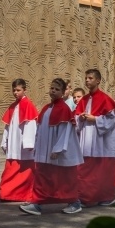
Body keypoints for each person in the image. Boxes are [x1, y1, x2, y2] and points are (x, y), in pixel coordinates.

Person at [21, 78, 84, 215]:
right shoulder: (46, 108)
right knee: (43, 176)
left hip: (58, 152)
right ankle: (37, 203)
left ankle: (74, 202)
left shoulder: (64, 109)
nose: (53, 91)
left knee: (64, 178)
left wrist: (58, 149)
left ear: (62, 93)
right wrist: (38, 146)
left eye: (57, 89)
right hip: (45, 150)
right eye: (52, 88)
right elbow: (41, 130)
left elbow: (65, 131)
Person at [75, 68, 115, 206]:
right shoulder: (84, 99)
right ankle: (86, 197)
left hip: (100, 141)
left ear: (98, 80)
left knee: (102, 172)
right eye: (86, 78)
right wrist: (81, 118)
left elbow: (112, 119)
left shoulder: (105, 98)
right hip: (86, 138)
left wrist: (95, 119)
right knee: (85, 170)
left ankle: (105, 197)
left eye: (90, 78)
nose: (87, 80)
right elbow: (76, 117)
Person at [0, 78, 38, 204]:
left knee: (23, 173)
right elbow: (7, 125)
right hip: (13, 144)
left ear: (24, 90)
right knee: (10, 171)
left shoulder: (28, 105)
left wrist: (28, 143)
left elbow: (31, 124)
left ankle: (19, 194)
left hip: (22, 146)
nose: (15, 92)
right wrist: (5, 141)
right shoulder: (13, 106)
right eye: (14, 90)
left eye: (18, 90)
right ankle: (7, 193)